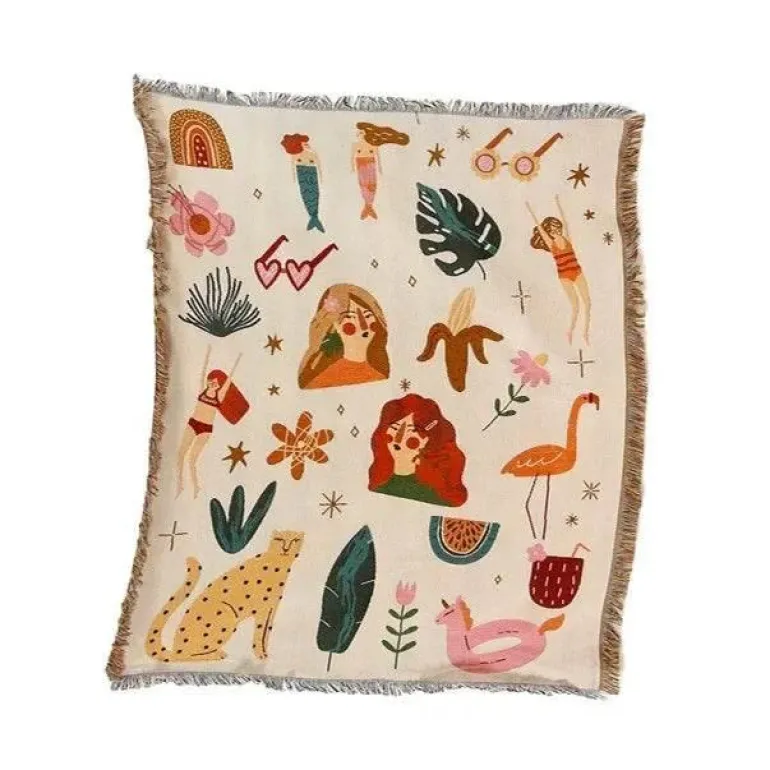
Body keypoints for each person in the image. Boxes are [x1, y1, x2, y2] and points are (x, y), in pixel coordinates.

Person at [368, 394, 468, 507]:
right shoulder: (379, 483)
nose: (398, 439)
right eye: (394, 428)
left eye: (411, 432)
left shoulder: (435, 491)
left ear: (427, 440)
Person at [176, 348, 242, 498]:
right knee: (180, 454)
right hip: (193, 423)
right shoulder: (202, 391)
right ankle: (179, 483)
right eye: (211, 382)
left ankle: (196, 487)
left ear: (218, 386)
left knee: (192, 459)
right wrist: (207, 354)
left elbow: (228, 382)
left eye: (215, 383)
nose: (212, 383)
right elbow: (203, 373)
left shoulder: (219, 396)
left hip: (205, 428)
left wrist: (237, 360)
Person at [527, 196, 592, 345]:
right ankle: (570, 331)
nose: (558, 231)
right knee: (576, 305)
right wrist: (530, 210)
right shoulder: (551, 244)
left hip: (577, 272)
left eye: (558, 228)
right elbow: (540, 229)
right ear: (550, 232)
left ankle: (585, 333)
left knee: (587, 302)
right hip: (564, 276)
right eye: (554, 230)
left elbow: (566, 222)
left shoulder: (567, 239)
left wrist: (558, 203)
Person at [298, 284, 389, 389]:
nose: (363, 326)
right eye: (351, 317)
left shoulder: (380, 374)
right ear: (334, 325)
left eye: (368, 316)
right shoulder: (322, 381)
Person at [351, 122, 410, 220]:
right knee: (363, 185)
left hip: (371, 163)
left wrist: (380, 168)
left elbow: (377, 157)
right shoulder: (355, 145)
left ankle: (369, 206)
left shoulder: (373, 145)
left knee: (372, 185)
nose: (360, 135)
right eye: (359, 133)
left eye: (362, 133)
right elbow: (352, 157)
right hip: (360, 164)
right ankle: (368, 206)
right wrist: (352, 167)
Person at [280, 133, 325, 232]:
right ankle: (313, 218)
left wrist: (321, 178)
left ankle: (314, 217)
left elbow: (319, 166)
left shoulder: (312, 154)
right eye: (304, 143)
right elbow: (293, 169)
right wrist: (294, 179)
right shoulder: (295, 156)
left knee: (314, 194)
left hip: (312, 173)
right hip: (302, 174)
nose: (307, 145)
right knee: (306, 195)